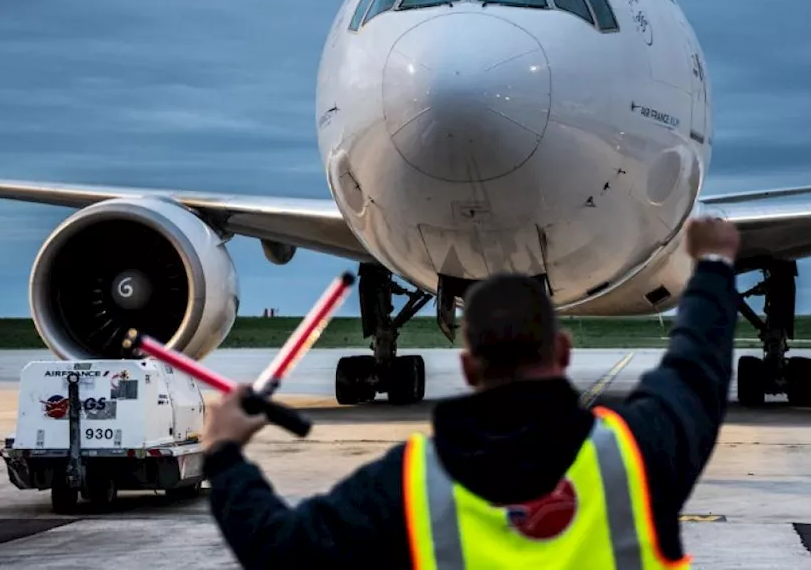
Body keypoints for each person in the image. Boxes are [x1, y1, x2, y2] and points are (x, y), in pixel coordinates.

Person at [202, 217, 742, 569]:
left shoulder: (408, 484)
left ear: (466, 365)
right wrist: (714, 266)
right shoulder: (636, 455)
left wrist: (225, 454)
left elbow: (282, 553)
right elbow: (698, 367)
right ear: (562, 351)